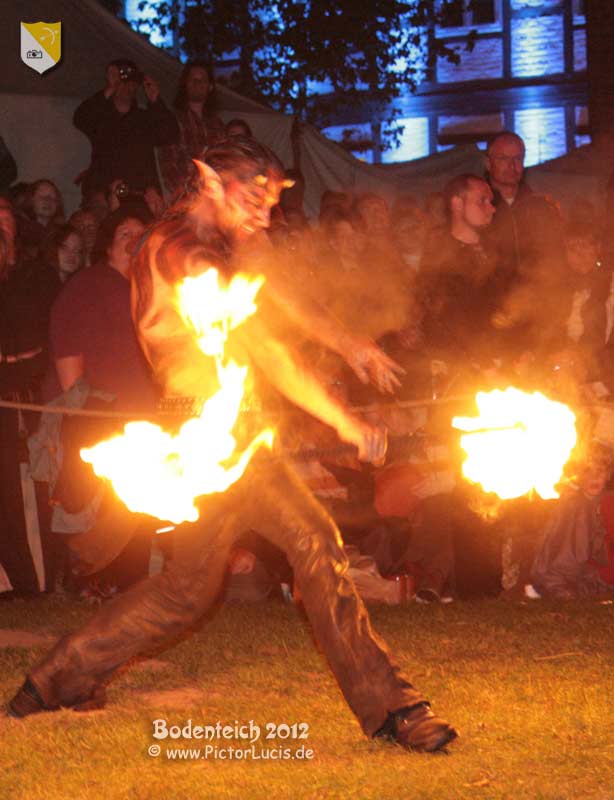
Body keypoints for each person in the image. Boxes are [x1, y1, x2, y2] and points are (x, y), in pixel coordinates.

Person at [8, 138, 457, 754]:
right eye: (255, 198)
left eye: (273, 205)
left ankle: (52, 680)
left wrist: (345, 362)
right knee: (315, 540)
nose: (265, 217)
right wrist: (344, 417)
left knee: (185, 591)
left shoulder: (210, 251)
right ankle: (394, 708)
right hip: (203, 432)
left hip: (223, 434)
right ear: (210, 182)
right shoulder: (175, 249)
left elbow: (268, 318)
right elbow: (265, 343)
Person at [0, 198, 53, 596]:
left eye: (4, 222)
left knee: (19, 497)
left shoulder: (33, 280)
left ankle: (29, 584)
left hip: (15, 405)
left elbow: (36, 350)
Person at [74, 59, 179, 197]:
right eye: (123, 81)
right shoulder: (100, 117)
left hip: (140, 196)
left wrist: (156, 100)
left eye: (133, 82)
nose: (127, 86)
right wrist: (109, 89)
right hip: (104, 195)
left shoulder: (145, 119)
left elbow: (171, 135)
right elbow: (80, 118)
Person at [485, 131, 564, 293]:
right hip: (490, 307)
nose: (512, 166)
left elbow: (557, 257)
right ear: (488, 163)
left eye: (518, 159)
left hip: (536, 305)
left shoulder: (542, 208)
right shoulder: (478, 209)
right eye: (503, 159)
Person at [157, 61, 225, 199]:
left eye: (202, 80)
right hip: (186, 199)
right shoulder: (174, 120)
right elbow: (167, 165)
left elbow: (224, 161)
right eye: (192, 79)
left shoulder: (217, 124)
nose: (197, 83)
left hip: (215, 198)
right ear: (185, 84)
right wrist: (187, 194)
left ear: (210, 86)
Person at [19, 179, 64, 259]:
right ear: (31, 200)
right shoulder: (18, 231)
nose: (48, 201)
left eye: (53, 198)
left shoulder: (62, 233)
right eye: (42, 197)